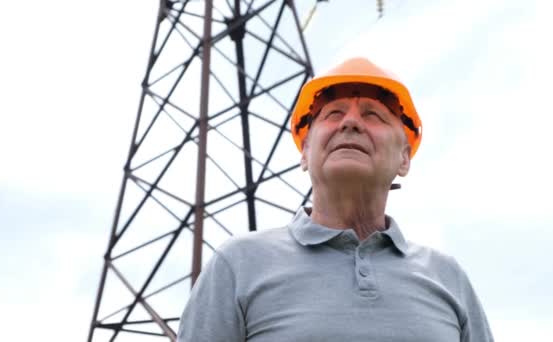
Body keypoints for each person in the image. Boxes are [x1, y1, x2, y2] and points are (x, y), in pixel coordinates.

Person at [177, 57, 494, 341]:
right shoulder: (238, 266)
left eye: (374, 115)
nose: (351, 122)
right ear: (305, 152)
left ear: (404, 159)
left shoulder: (449, 278)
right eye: (333, 113)